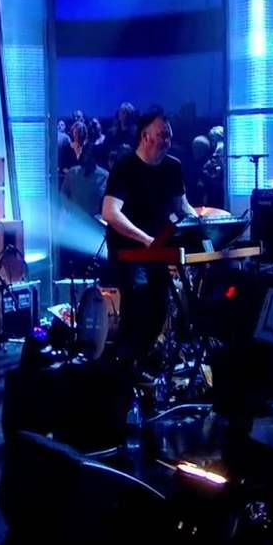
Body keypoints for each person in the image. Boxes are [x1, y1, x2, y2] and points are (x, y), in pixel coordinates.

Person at [101, 110, 197, 369]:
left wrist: (204, 223)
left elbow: (182, 206)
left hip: (157, 250)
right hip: (129, 251)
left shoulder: (173, 167)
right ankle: (124, 371)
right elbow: (110, 211)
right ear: (145, 136)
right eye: (162, 135)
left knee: (158, 310)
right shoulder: (125, 167)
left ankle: (140, 367)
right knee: (137, 309)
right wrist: (145, 239)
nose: (167, 140)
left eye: (169, 135)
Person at [61, 121, 109, 218]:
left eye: (91, 155)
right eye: (86, 154)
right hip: (74, 220)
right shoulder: (72, 173)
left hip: (94, 221)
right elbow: (63, 195)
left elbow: (108, 202)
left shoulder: (105, 176)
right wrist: (69, 212)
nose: (88, 157)